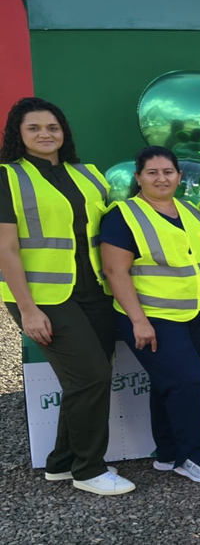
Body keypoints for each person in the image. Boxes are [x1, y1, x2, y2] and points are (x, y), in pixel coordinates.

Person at [0, 97, 135, 495]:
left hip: (94, 291)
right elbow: (5, 248)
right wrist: (27, 309)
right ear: (17, 135)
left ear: (64, 132)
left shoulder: (89, 175)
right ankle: (89, 470)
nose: (45, 134)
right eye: (34, 128)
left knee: (85, 381)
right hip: (45, 298)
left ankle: (61, 462)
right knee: (92, 376)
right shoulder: (8, 176)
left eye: (52, 127)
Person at [101, 146, 200, 483]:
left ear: (179, 177)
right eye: (152, 172)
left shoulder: (191, 211)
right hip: (153, 318)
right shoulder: (123, 215)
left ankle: (167, 453)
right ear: (138, 177)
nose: (161, 178)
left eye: (168, 172)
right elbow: (115, 271)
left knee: (168, 384)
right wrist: (138, 320)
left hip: (194, 315)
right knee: (189, 382)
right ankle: (191, 457)